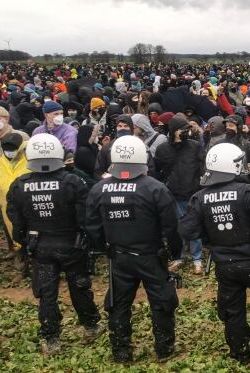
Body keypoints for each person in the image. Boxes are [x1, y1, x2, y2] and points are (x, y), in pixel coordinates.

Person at [179, 143, 250, 368]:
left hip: (225, 264)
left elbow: (187, 230)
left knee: (233, 310)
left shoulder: (200, 197)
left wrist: (209, 234)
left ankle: (240, 352)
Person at [85, 135, 182, 363]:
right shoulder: (155, 188)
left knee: (118, 305)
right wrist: (176, 253)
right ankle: (164, 348)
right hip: (151, 256)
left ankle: (121, 351)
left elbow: (92, 226)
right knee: (161, 302)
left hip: (119, 257)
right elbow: (171, 227)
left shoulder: (100, 189)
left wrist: (104, 248)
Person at [6, 134, 104, 355]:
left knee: (47, 293)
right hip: (72, 244)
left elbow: (16, 218)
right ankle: (90, 326)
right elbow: (85, 216)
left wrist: (23, 241)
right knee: (79, 287)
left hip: (40, 246)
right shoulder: (72, 181)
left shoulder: (20, 185)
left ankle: (51, 338)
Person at [156, 114, 206, 274]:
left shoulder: (195, 146)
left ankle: (197, 259)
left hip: (193, 193)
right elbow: (158, 170)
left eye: (187, 128)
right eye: (182, 129)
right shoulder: (163, 149)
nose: (186, 132)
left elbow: (202, 167)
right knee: (176, 228)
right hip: (173, 195)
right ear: (173, 131)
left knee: (194, 226)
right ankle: (178, 257)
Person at [0, 133, 31, 283]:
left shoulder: (29, 163)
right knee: (16, 238)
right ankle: (21, 268)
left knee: (34, 238)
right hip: (9, 212)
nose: (9, 152)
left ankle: (40, 268)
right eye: (6, 149)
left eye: (12, 149)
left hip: (30, 208)